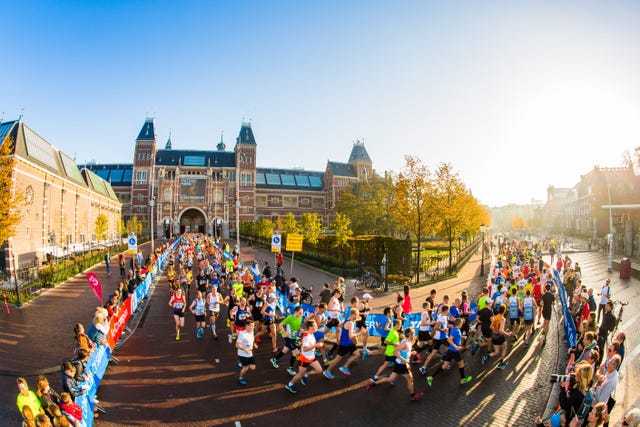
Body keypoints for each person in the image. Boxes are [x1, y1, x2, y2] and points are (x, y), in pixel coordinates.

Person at [367, 328, 424, 401]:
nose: (414, 334)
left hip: (399, 363)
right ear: (410, 334)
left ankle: (373, 384)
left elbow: (404, 351)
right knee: (410, 379)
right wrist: (404, 360)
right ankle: (413, 395)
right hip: (401, 364)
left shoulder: (407, 342)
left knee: (391, 378)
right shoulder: (405, 343)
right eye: (413, 333)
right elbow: (395, 352)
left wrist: (411, 353)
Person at [426, 318, 472, 386]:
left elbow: (453, 337)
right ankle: (463, 379)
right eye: (462, 323)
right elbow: (449, 340)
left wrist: (462, 337)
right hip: (455, 351)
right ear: (459, 324)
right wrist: (456, 346)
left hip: (450, 351)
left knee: (444, 366)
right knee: (461, 364)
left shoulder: (455, 329)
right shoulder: (456, 330)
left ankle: (431, 377)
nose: (462, 324)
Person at [285, 320, 325, 393]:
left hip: (311, 357)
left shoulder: (311, 333)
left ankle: (305, 375)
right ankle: (289, 385)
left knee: (319, 370)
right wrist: (316, 345)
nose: (317, 327)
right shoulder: (306, 336)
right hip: (305, 359)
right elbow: (305, 349)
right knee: (300, 373)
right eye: (315, 326)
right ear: (310, 327)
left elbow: (303, 331)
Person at [322, 309, 364, 379]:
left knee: (357, 354)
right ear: (353, 315)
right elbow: (351, 336)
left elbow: (339, 325)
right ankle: (327, 371)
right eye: (356, 315)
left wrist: (339, 337)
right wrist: (360, 333)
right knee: (337, 359)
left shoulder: (348, 320)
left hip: (349, 343)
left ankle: (344, 367)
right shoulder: (350, 323)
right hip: (345, 344)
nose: (357, 316)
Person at [558, 361, 594, 426]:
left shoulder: (578, 392)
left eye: (577, 373)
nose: (576, 374)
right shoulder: (587, 386)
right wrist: (572, 383)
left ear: (581, 376)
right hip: (578, 417)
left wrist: (562, 389)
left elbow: (564, 405)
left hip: (571, 419)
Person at [271, 306, 304, 375]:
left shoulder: (300, 318)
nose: (302, 314)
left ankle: (275, 359)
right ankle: (290, 368)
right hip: (288, 337)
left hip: (294, 337)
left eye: (302, 313)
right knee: (296, 352)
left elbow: (298, 327)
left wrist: (300, 330)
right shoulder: (289, 318)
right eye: (300, 313)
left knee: (285, 350)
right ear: (296, 312)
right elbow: (280, 325)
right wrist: (284, 332)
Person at [482, 305, 511, 370]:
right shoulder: (503, 319)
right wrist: (507, 334)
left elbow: (490, 327)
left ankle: (487, 356)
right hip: (500, 336)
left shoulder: (495, 317)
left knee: (497, 351)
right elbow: (501, 330)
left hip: (494, 335)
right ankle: (501, 363)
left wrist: (495, 329)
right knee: (504, 348)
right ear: (504, 311)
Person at [236, 320, 257, 385]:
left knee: (253, 367)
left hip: (250, 353)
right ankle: (240, 378)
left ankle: (240, 363)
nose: (253, 327)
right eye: (252, 326)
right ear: (247, 326)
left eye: (253, 326)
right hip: (242, 353)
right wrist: (244, 349)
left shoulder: (252, 332)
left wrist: (254, 344)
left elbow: (252, 339)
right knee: (246, 368)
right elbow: (237, 345)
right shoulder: (242, 334)